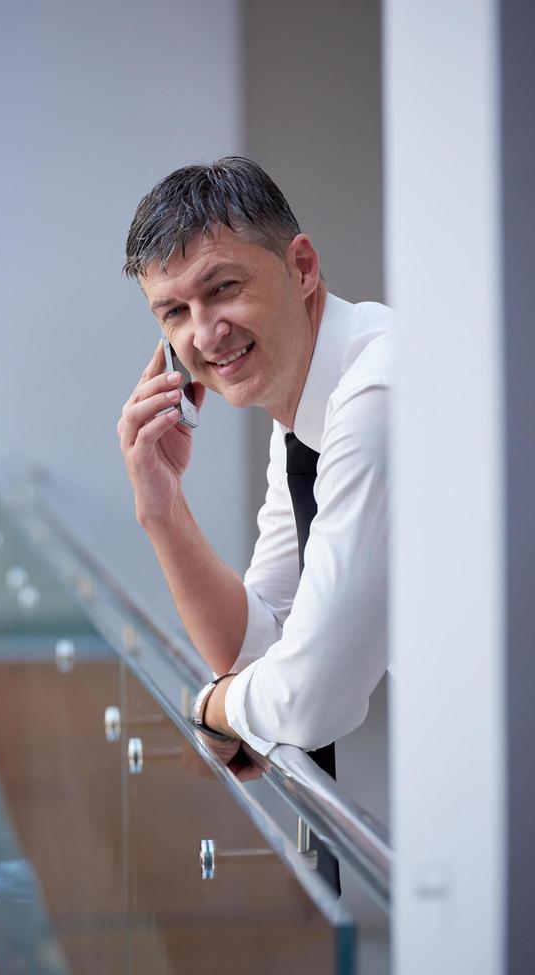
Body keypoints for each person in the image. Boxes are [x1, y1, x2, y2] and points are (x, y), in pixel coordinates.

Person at [118, 157, 392, 772]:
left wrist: (213, 709)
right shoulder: (301, 407)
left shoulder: (374, 399)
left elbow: (308, 699)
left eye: (223, 288)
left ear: (301, 268)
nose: (207, 334)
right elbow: (259, 648)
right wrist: (162, 509)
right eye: (174, 312)